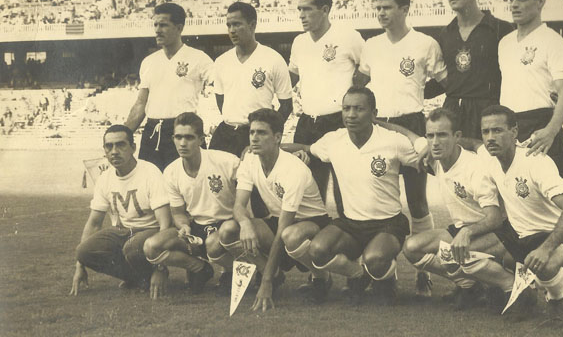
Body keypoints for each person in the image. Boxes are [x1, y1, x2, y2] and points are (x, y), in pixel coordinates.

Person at [355, 0, 447, 297]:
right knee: (374, 198)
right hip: (378, 125)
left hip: (411, 123)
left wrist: (421, 98)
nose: (381, 13)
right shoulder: (371, 45)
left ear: (405, 9)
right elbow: (364, 82)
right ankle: (382, 273)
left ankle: (424, 271)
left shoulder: (425, 43)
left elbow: (444, 83)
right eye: (377, 7)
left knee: (418, 201)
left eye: (387, 8)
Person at [299, 87, 422, 304]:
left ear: (374, 113)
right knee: (317, 250)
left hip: (388, 224)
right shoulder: (333, 140)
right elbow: (307, 149)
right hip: (351, 224)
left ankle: (385, 278)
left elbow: (425, 155)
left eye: (359, 109)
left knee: (374, 259)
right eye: (346, 108)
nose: (351, 115)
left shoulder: (393, 141)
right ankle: (358, 275)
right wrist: (270, 148)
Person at [213, 108, 331, 311]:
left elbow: (283, 229)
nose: (254, 138)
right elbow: (239, 205)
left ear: (277, 138)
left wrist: (264, 283)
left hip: (311, 223)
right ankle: (275, 275)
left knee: (290, 235)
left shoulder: (293, 169)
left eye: (262, 133)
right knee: (228, 230)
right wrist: (245, 224)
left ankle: (322, 277)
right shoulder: (250, 160)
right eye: (252, 132)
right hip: (279, 220)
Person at [401, 108, 516, 310]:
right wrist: (374, 121)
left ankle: (508, 284)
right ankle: (470, 286)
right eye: (430, 135)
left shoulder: (475, 168)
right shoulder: (434, 158)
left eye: (442, 135)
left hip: (497, 232)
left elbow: (495, 218)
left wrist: (466, 233)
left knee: (453, 254)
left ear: (457, 137)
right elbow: (409, 135)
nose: (435, 142)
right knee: (412, 247)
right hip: (465, 230)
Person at [477, 105, 563, 319]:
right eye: (485, 131)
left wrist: (546, 249)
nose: (490, 138)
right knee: (463, 255)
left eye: (497, 130)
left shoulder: (536, 161)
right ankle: (519, 289)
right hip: (518, 238)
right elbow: (471, 145)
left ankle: (557, 298)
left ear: (514, 132)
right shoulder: (489, 159)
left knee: (545, 264)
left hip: (552, 236)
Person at [70, 125, 171, 299]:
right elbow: (94, 223)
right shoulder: (105, 178)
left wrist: (160, 267)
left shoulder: (150, 172)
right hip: (123, 231)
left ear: (133, 147)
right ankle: (137, 278)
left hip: (150, 232)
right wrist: (80, 266)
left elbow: (165, 223)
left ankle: (150, 274)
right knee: (84, 251)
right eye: (109, 146)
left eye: (120, 145)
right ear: (104, 150)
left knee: (132, 246)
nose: (114, 151)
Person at [144, 112, 239, 296]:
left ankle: (234, 270)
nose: (182, 143)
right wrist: (184, 226)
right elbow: (178, 212)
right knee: (152, 246)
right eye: (178, 137)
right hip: (197, 228)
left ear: (201, 139)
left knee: (214, 242)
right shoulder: (171, 172)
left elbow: (247, 195)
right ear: (172, 138)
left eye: (189, 137)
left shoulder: (226, 161)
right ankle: (200, 268)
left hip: (228, 226)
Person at [289, 0, 364, 202]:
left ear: (325, 9)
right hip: (307, 123)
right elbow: (290, 77)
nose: (302, 15)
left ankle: (351, 232)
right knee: (310, 190)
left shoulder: (348, 37)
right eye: (299, 9)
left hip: (339, 122)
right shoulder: (299, 42)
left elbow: (368, 70)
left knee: (346, 190)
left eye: (307, 9)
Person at [498, 0, 563, 178]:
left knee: (550, 199)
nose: (514, 5)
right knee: (513, 195)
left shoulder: (553, 41)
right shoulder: (504, 43)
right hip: (509, 127)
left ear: (540, 1)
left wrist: (550, 132)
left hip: (541, 126)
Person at [124, 2, 213, 171]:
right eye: (155, 24)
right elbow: (141, 103)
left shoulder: (199, 58)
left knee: (189, 186)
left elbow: (222, 87)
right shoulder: (149, 62)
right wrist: (124, 134)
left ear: (179, 27)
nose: (157, 30)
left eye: (163, 25)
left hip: (183, 131)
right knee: (151, 186)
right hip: (152, 132)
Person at [439, 0, 513, 150]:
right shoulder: (445, 33)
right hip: (452, 111)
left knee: (489, 172)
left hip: (488, 112)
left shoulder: (500, 29)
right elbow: (443, 80)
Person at [209, 2, 293, 158]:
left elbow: (287, 105)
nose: (232, 30)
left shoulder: (273, 59)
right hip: (225, 133)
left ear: (252, 25)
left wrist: (266, 131)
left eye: (237, 24)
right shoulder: (221, 61)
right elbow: (220, 100)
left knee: (252, 181)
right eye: (229, 25)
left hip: (254, 135)